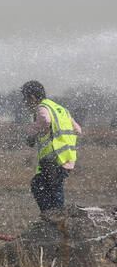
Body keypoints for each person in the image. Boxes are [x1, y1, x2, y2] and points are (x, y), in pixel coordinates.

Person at [21, 80, 82, 212]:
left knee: (38, 186)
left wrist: (31, 134)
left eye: (25, 100)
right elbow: (78, 130)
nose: (25, 104)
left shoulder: (42, 108)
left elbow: (46, 120)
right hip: (68, 158)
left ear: (32, 98)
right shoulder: (60, 109)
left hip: (54, 159)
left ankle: (51, 217)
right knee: (53, 189)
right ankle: (55, 216)